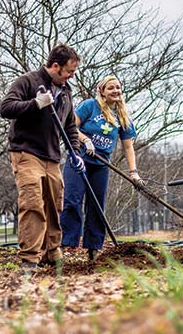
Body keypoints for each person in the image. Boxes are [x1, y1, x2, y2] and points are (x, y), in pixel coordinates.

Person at [0, 43, 83, 272]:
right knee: (33, 202)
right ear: (55, 66)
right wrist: (36, 104)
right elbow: (6, 108)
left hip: (52, 156)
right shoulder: (28, 81)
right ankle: (30, 258)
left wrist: (75, 151)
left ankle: (51, 252)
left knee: (55, 205)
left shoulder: (66, 92)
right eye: (69, 71)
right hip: (26, 152)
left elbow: (69, 126)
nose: (70, 77)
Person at [60, 75, 142, 260]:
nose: (116, 91)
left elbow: (128, 146)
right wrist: (85, 140)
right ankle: (66, 244)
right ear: (102, 91)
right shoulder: (90, 106)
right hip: (79, 160)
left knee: (97, 206)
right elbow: (71, 126)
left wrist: (133, 173)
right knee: (72, 200)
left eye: (118, 88)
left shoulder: (122, 117)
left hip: (101, 164)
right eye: (111, 88)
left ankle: (94, 247)